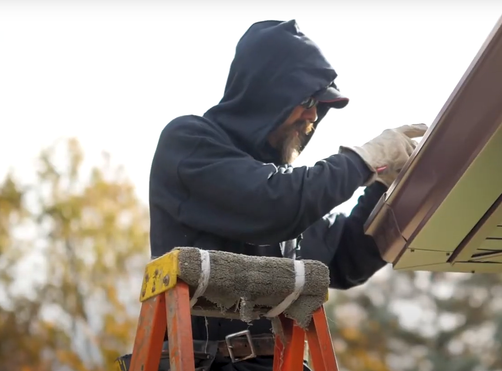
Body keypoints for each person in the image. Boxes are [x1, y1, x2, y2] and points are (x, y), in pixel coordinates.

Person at [135, 19, 427, 371]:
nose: (312, 116)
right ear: (264, 93)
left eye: (319, 104)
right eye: (305, 100)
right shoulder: (189, 144)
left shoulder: (289, 191)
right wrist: (362, 160)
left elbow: (348, 255)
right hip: (205, 363)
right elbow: (272, 204)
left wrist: (391, 188)